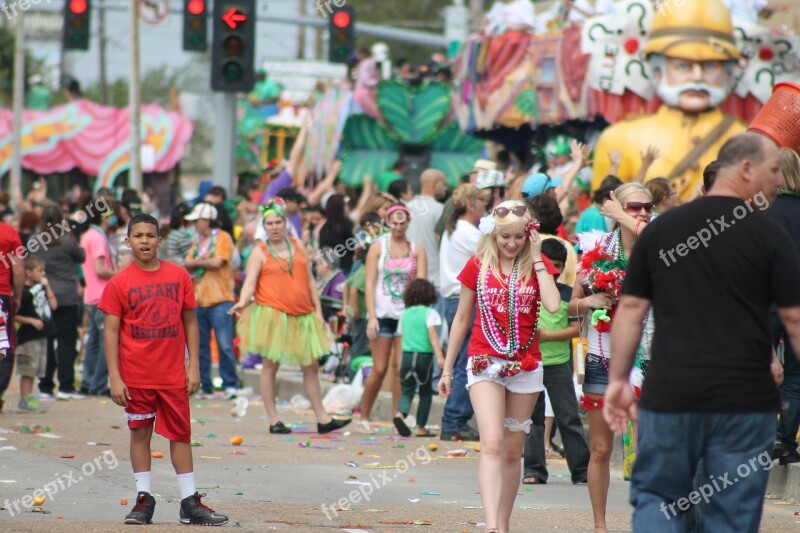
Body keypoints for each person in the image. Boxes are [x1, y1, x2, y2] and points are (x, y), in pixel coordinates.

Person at [604, 133, 800, 532]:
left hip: (671, 395)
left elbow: (632, 309)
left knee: (660, 500)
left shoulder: (662, 230)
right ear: (746, 169)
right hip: (743, 401)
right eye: (773, 171)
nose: (779, 181)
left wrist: (618, 380)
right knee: (731, 511)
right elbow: (794, 319)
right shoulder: (769, 236)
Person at [440, 200, 560, 533]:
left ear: (529, 235)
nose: (511, 244)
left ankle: (503, 524)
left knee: (512, 451)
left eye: (519, 237)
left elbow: (552, 304)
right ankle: (492, 525)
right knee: (491, 443)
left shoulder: (538, 264)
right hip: (484, 362)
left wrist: (536, 258)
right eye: (505, 237)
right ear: (493, 234)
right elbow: (462, 318)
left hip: (526, 364)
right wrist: (448, 368)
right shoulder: (477, 264)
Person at [101, 214, 228, 526]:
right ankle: (144, 499)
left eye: (150, 235)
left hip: (173, 375)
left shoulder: (179, 276)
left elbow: (190, 322)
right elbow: (110, 332)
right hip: (136, 376)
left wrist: (194, 365)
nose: (145, 241)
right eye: (138, 235)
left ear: (160, 241)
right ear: (127, 241)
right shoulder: (118, 283)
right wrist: (115, 377)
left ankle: (189, 501)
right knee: (140, 433)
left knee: (180, 434)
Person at [592, 0, 746, 202]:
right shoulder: (618, 137)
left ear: (728, 74)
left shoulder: (747, 139)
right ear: (657, 71)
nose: (697, 77)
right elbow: (602, 214)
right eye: (683, 66)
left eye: (709, 66)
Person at [569, 182, 652, 533]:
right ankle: (600, 526)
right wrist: (588, 302)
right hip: (603, 357)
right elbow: (569, 306)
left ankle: (650, 522)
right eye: (634, 207)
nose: (644, 212)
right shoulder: (595, 249)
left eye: (648, 206)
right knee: (601, 449)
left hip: (653, 355)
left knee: (654, 449)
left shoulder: (661, 244)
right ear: (616, 210)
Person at [230, 199, 351, 435]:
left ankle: (323, 419)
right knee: (270, 365)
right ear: (264, 226)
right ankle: (274, 420)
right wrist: (242, 301)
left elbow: (309, 281)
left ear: (286, 223)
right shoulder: (259, 252)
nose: (274, 227)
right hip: (273, 313)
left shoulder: (297, 244)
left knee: (311, 366)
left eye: (278, 222)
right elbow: (250, 284)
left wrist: (317, 311)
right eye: (270, 223)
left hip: (303, 314)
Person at [523, 239, 590, 485]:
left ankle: (582, 471)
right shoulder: (527, 289)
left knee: (568, 417)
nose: (552, 270)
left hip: (558, 364)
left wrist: (549, 335)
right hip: (531, 364)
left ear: (563, 268)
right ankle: (534, 470)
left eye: (558, 265)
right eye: (546, 264)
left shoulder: (566, 294)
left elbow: (576, 329)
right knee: (532, 419)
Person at [360, 204, 428, 433]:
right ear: (388, 222)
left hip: (406, 316)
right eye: (394, 223)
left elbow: (422, 285)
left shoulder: (417, 249)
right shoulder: (378, 247)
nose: (398, 227)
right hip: (382, 314)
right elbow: (369, 283)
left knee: (401, 368)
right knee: (379, 369)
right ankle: (364, 417)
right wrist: (371, 316)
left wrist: (418, 316)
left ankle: (397, 416)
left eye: (402, 223)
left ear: (408, 223)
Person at [439, 185, 490, 441]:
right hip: (464, 301)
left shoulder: (455, 229)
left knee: (461, 361)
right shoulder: (469, 233)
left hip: (452, 300)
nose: (485, 207)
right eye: (482, 202)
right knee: (464, 364)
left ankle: (453, 419)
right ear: (471, 205)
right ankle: (454, 419)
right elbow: (489, 257)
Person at [765, 147, 800, 465]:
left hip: (762, 302)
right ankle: (785, 441)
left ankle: (757, 440)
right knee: (796, 374)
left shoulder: (758, 211)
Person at [183, 203, 239, 399]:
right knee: (201, 347)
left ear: (206, 220)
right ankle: (205, 387)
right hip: (199, 301)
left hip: (221, 299)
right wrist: (203, 260)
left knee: (225, 345)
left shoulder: (223, 237)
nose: (194, 225)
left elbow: (217, 262)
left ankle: (230, 385)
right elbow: (186, 263)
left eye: (196, 221)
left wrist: (199, 261)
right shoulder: (198, 242)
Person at [34, 204, 86, 400]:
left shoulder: (35, 241)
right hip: (67, 297)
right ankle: (66, 385)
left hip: (44, 297)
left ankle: (45, 386)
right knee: (67, 342)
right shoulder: (67, 241)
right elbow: (82, 257)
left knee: (46, 342)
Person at [393, 279, 444, 438]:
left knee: (407, 391)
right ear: (430, 295)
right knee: (425, 392)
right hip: (424, 357)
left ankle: (400, 415)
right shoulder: (430, 313)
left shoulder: (405, 314)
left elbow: (400, 337)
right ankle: (421, 428)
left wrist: (399, 360)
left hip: (407, 356)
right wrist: (440, 355)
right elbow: (432, 334)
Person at [79, 197, 118, 397]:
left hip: (91, 296)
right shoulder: (97, 237)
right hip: (102, 296)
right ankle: (99, 384)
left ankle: (88, 380)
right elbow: (100, 269)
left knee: (94, 341)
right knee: (107, 342)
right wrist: (122, 274)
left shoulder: (88, 235)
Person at [15, 256, 57, 413]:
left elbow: (54, 305)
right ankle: (24, 399)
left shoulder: (41, 287)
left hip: (42, 335)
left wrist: (47, 287)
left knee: (36, 369)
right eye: (40, 271)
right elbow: (15, 315)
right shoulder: (23, 292)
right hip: (28, 337)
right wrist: (31, 321)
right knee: (27, 368)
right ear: (29, 272)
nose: (43, 273)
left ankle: (29, 397)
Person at [407, 169, 447, 294]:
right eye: (444, 184)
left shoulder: (406, 208)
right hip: (434, 279)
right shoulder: (440, 209)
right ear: (435, 184)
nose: (446, 188)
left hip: (408, 276)